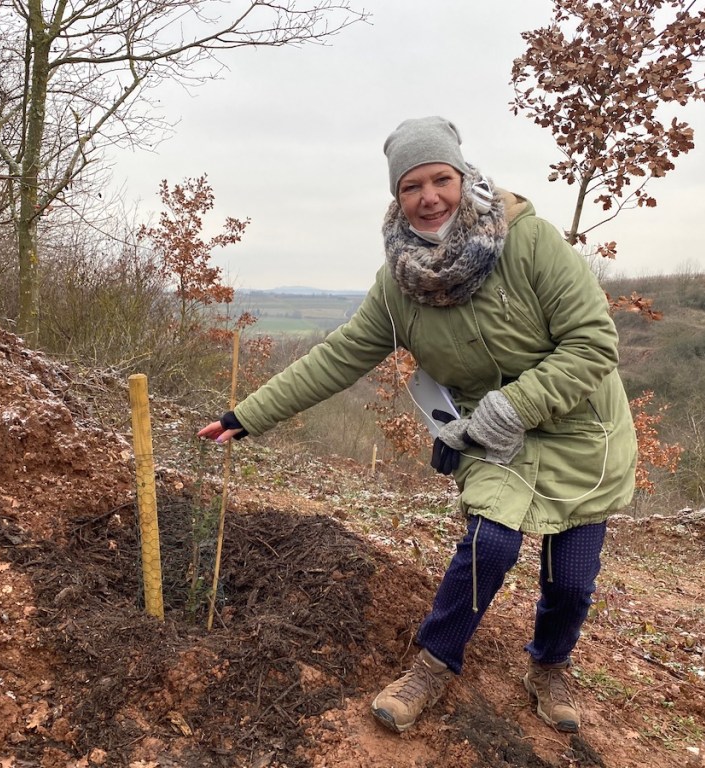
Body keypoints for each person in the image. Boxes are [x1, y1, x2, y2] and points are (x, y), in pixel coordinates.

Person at [198, 116, 638, 735]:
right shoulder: (399, 284)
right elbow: (339, 357)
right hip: (488, 435)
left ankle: (549, 666)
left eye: (440, 180)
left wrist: (512, 407)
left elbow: (593, 345)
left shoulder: (531, 242)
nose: (429, 197)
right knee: (490, 546)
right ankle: (432, 665)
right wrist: (246, 416)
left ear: (463, 177)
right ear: (396, 197)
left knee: (570, 580)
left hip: (580, 428)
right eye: (411, 186)